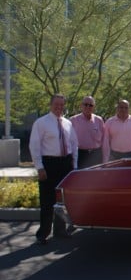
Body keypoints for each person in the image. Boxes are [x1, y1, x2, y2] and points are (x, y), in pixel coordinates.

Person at [29, 94, 79, 244]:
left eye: (62, 105)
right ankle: (42, 234)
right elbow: (34, 146)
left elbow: (74, 145)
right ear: (50, 105)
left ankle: (60, 230)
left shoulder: (68, 123)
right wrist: (39, 167)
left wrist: (74, 166)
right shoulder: (41, 123)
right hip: (49, 164)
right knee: (47, 200)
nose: (59, 107)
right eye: (56, 104)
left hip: (66, 164)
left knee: (62, 200)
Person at [70, 95, 104, 168]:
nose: (88, 107)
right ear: (81, 105)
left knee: (96, 178)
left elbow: (104, 140)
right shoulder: (73, 120)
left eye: (91, 105)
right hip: (80, 155)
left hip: (96, 155)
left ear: (94, 107)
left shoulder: (99, 120)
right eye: (85, 104)